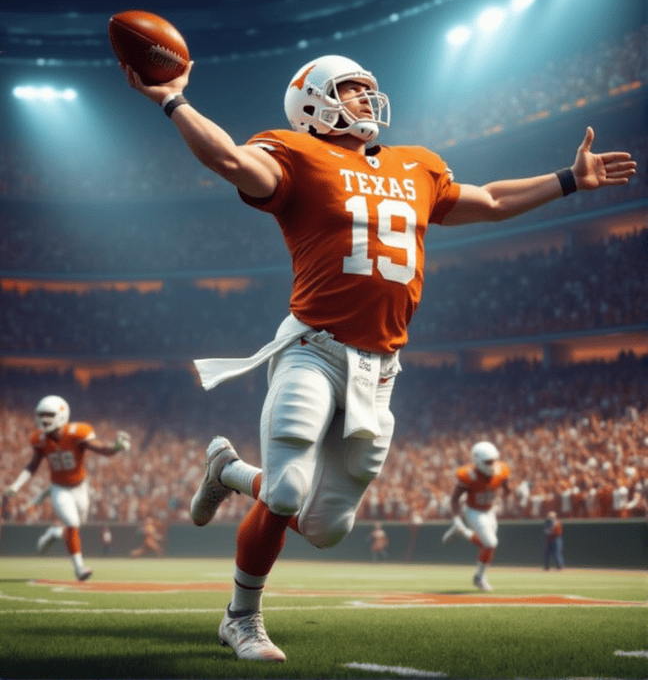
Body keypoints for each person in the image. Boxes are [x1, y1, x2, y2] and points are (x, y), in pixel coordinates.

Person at [122, 53, 635, 661]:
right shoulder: (295, 153)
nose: (369, 98)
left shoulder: (415, 164)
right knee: (285, 491)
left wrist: (569, 179)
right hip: (313, 348)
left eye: (370, 87)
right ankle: (241, 617)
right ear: (312, 99)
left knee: (323, 528)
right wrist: (172, 98)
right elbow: (228, 159)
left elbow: (491, 200)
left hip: (380, 370)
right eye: (352, 89)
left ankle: (228, 472)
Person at [3, 395, 131, 581]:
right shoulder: (40, 439)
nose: (43, 419)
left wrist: (116, 447)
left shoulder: (76, 433)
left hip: (80, 488)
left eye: (48, 414)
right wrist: (15, 485)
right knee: (72, 523)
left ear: (62, 415)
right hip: (59, 489)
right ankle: (79, 568)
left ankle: (56, 532)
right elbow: (33, 465)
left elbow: (102, 449)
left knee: (78, 523)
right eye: (41, 414)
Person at [441, 441, 511, 591]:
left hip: (490, 511)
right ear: (478, 461)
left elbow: (506, 488)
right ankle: (479, 577)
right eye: (488, 462)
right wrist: (456, 518)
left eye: (494, 460)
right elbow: (454, 499)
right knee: (491, 543)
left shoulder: (501, 469)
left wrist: (515, 493)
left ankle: (463, 532)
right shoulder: (468, 475)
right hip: (473, 512)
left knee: (486, 545)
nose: (493, 464)